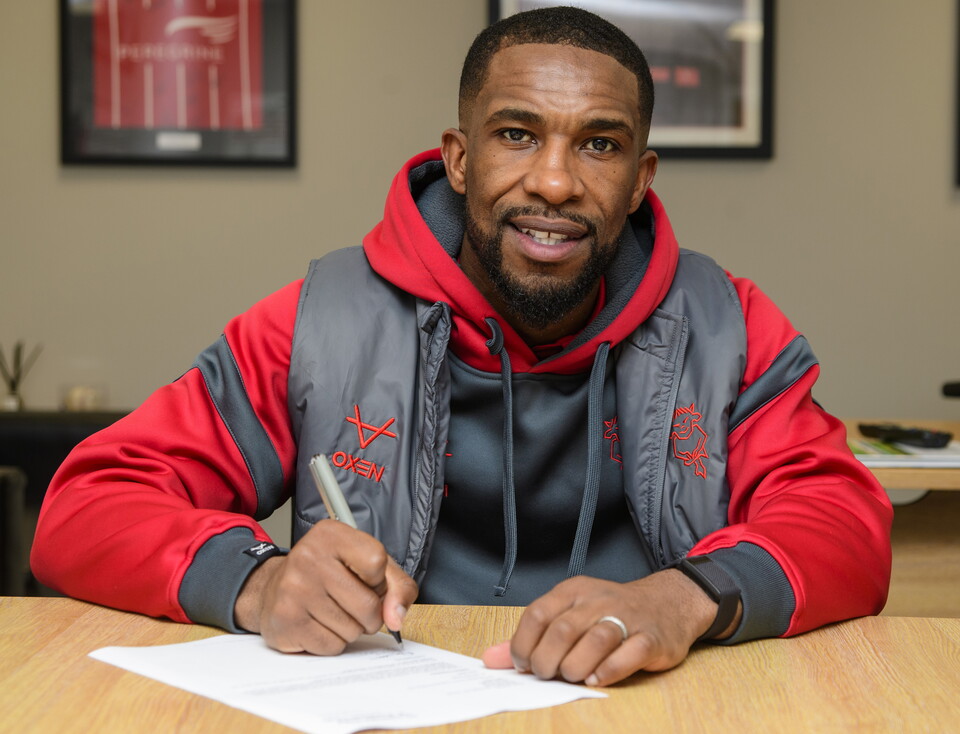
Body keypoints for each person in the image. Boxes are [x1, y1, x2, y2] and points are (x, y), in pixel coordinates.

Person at [31, 7, 892, 688]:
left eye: (599, 144)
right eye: (517, 134)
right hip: (391, 706)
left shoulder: (731, 326)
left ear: (640, 181)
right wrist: (256, 583)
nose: (554, 182)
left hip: (656, 702)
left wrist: (685, 598)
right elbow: (85, 509)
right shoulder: (319, 322)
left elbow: (847, 526)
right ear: (459, 158)